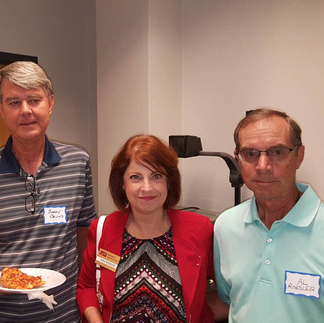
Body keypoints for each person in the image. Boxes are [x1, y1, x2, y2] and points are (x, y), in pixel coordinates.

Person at [0, 61, 97, 322]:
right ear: (1, 109)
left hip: (60, 314)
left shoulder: (78, 163)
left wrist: (86, 294)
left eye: (34, 100)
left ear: (50, 103)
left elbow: (84, 233)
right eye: (13, 102)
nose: (26, 111)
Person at [214, 108, 324, 322]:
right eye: (251, 154)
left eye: (277, 152)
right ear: (239, 159)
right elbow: (231, 300)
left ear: (299, 156)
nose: (263, 166)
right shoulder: (225, 226)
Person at [77, 134, 223, 323]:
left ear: (169, 182)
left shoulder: (199, 229)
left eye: (156, 176)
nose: (146, 188)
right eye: (135, 177)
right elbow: (86, 286)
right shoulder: (103, 229)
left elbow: (229, 288)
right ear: (122, 184)